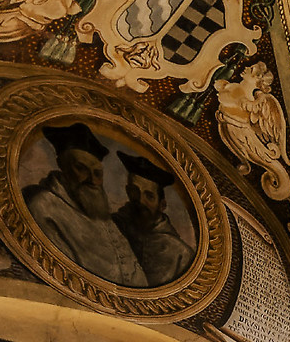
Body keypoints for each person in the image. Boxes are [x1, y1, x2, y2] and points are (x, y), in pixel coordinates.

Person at [23, 123, 148, 287]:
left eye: (97, 173)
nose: (93, 180)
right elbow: (62, 275)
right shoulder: (43, 205)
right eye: (81, 169)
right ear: (62, 165)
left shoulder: (99, 211)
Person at [114, 153, 195, 287]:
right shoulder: (112, 227)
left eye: (149, 196)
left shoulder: (180, 254)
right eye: (135, 192)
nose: (141, 201)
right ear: (128, 191)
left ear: (162, 205)